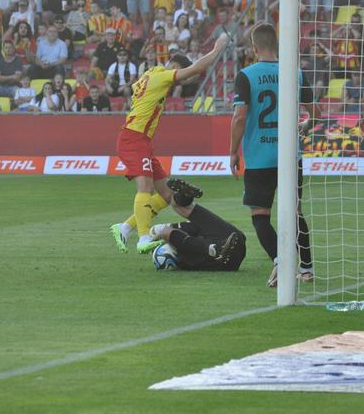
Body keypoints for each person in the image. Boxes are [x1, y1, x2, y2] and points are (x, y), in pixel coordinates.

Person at [109, 33, 229, 255]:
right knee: (144, 187)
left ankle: (125, 227)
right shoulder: (162, 76)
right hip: (133, 137)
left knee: (166, 195)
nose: (180, 82)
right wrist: (216, 49)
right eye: (181, 77)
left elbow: (137, 89)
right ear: (175, 66)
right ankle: (143, 237)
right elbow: (195, 69)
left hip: (139, 138)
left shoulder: (149, 74)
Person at [229, 23, 314, 288]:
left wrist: (233, 151)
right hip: (291, 156)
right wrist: (306, 125)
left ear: (254, 48)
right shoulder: (296, 73)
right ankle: (307, 268)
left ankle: (280, 261)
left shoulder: (246, 75)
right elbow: (315, 112)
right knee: (296, 212)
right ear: (276, 45)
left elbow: (239, 116)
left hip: (259, 158)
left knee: (260, 216)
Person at [149, 178, 245, 272]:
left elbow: (191, 228)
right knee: (176, 218)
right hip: (223, 253)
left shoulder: (189, 261)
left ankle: (184, 197)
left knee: (177, 206)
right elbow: (167, 232)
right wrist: (157, 234)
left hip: (233, 246)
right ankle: (184, 198)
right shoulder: (185, 255)